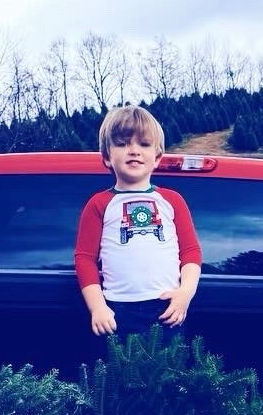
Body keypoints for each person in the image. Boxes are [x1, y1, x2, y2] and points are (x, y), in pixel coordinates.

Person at [74, 105, 202, 339]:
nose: (133, 151)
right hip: (115, 310)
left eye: (143, 144)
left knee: (168, 374)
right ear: (106, 157)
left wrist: (185, 293)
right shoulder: (99, 204)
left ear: (157, 157)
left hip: (167, 308)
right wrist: (98, 307)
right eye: (122, 144)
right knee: (115, 375)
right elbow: (85, 259)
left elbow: (191, 252)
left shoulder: (172, 201)